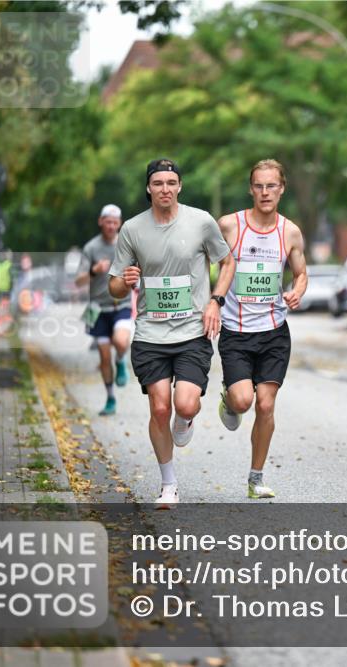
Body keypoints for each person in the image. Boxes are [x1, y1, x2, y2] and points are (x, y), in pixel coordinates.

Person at [108, 158, 235, 507]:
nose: (165, 188)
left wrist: (216, 301)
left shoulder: (201, 222)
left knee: (184, 404)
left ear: (180, 186)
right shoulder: (132, 229)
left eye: (171, 182)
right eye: (158, 183)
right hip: (150, 333)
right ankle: (168, 483)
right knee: (159, 409)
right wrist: (125, 282)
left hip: (192, 330)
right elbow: (115, 288)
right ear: (148, 188)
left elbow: (227, 262)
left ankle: (187, 418)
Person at [215, 159, 307, 499]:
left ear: (282, 189)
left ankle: (256, 478)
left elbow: (300, 272)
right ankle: (229, 399)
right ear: (251, 188)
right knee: (243, 401)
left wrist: (297, 290)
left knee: (265, 405)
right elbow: (201, 258)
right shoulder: (229, 226)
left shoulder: (290, 232)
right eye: (259, 186)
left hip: (274, 331)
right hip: (236, 332)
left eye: (271, 186)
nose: (265, 192)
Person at [76, 204, 133, 416]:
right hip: (98, 309)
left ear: (120, 223)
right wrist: (94, 270)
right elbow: (78, 281)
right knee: (103, 358)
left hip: (121, 305)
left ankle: (121, 360)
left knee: (120, 341)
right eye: (107, 222)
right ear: (101, 222)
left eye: (114, 222)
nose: (110, 226)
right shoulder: (91, 248)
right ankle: (110, 398)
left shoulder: (126, 245)